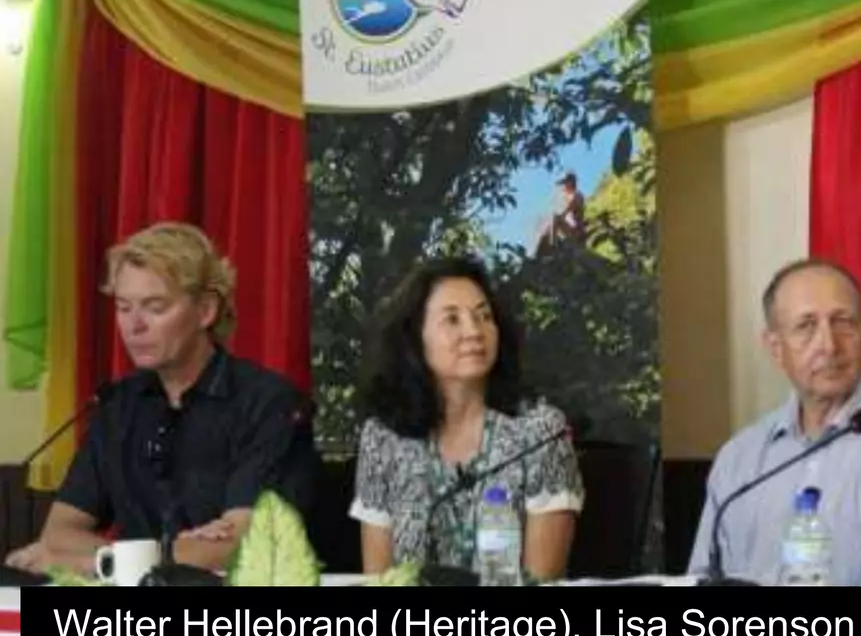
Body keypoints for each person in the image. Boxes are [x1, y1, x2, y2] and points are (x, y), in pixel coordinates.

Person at [6, 223, 317, 575]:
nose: (134, 326)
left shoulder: (268, 403)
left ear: (206, 311)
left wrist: (97, 561)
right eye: (124, 308)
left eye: (154, 307)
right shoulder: (117, 405)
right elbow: (58, 535)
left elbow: (240, 547)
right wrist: (165, 554)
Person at [686, 260, 861, 586]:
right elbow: (699, 579)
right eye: (806, 326)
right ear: (775, 348)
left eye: (843, 323)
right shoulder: (739, 458)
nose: (828, 344)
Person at [352, 258, 582, 580]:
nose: (474, 331)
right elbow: (380, 583)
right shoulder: (384, 437)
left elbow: (540, 582)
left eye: (484, 316)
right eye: (452, 319)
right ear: (415, 338)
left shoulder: (540, 434)